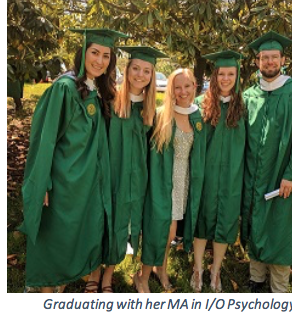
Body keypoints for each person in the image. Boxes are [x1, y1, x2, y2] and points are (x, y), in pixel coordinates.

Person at [19, 28, 128, 293]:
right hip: (63, 179)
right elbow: (45, 139)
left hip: (86, 181)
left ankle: (58, 291)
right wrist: (42, 180)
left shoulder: (98, 89)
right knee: (55, 238)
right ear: (82, 53)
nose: (99, 61)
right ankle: (43, 294)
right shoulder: (65, 88)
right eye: (94, 53)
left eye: (106, 55)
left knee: (73, 236)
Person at [241, 31, 292, 293]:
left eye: (274, 57)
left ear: (283, 60)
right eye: (265, 58)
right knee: (255, 223)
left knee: (280, 228)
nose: (269, 62)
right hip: (254, 175)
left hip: (282, 176)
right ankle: (256, 277)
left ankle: (279, 287)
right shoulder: (249, 95)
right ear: (257, 62)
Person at [88, 47, 167, 293]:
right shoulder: (109, 101)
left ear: (152, 76)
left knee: (121, 222)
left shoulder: (150, 110)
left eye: (147, 71)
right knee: (102, 219)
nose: (140, 75)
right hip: (109, 173)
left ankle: (108, 275)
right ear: (127, 69)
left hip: (135, 179)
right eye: (136, 68)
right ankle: (94, 271)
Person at [134, 68, 206, 293]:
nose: (182, 91)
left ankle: (160, 268)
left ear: (195, 87)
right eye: (178, 87)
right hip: (162, 181)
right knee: (161, 230)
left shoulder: (197, 115)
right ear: (171, 90)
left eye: (187, 86)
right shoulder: (161, 115)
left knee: (171, 233)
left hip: (183, 181)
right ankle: (142, 276)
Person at [192, 50, 246, 293]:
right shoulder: (202, 105)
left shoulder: (243, 108)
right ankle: (197, 270)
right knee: (202, 222)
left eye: (230, 74)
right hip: (207, 176)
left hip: (231, 177)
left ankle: (215, 272)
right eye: (221, 73)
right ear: (214, 76)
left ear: (237, 76)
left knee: (225, 223)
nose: (225, 78)